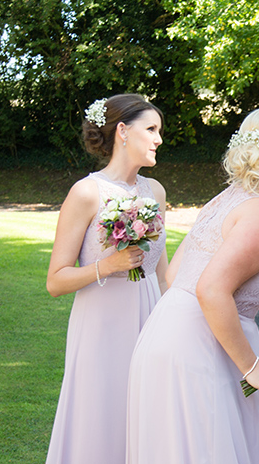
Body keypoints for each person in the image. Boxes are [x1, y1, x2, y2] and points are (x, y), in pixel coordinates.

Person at [126, 104, 259, 464]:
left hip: (168, 335)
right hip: (204, 349)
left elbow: (174, 275)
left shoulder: (224, 200)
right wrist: (252, 365)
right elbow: (209, 289)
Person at [44, 94, 169, 463]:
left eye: (159, 130)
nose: (159, 139)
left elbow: (162, 273)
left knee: (147, 414)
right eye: (151, 129)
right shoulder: (86, 193)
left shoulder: (156, 192)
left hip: (149, 315)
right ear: (122, 132)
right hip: (100, 324)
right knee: (100, 416)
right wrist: (109, 265)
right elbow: (55, 280)